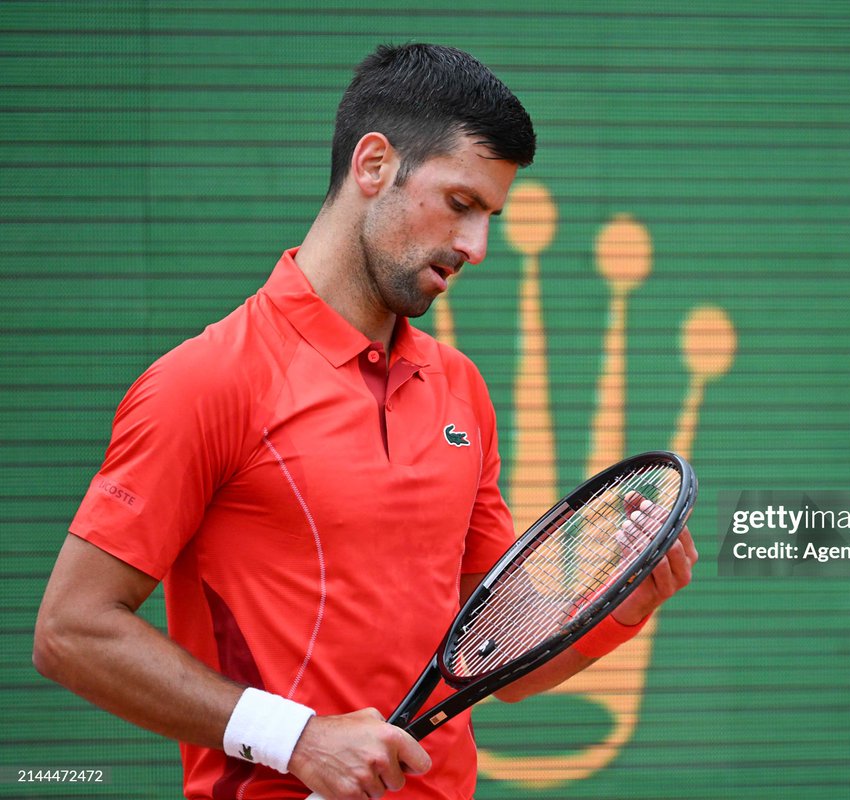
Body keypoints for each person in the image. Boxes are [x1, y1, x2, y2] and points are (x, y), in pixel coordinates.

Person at [33, 43, 698, 800]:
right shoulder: (205, 382)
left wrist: (626, 606)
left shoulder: (462, 392)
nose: (477, 248)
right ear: (374, 165)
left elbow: (499, 662)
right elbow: (72, 631)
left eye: (491, 216)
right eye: (460, 204)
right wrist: (299, 740)